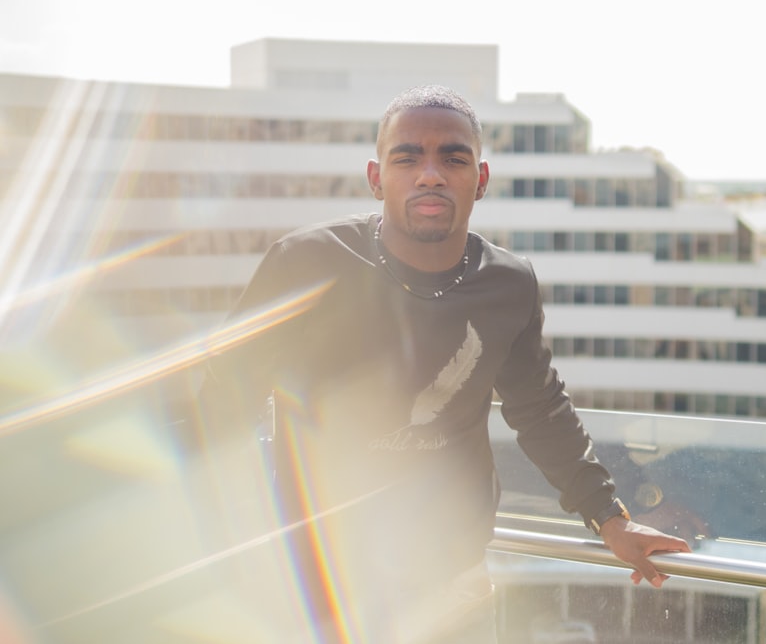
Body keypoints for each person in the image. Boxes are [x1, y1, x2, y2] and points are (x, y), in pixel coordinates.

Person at [200, 85, 690, 643]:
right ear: (376, 176)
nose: (429, 174)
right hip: (322, 588)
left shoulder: (509, 283)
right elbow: (225, 400)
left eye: (453, 157)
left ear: (479, 180)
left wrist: (611, 518)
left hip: (451, 585)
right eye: (406, 156)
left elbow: (540, 409)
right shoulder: (307, 263)